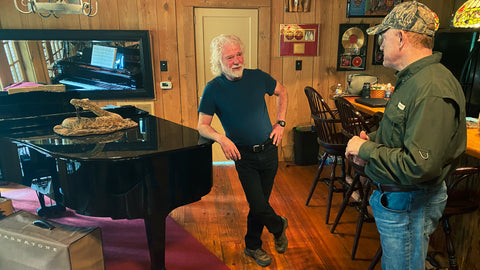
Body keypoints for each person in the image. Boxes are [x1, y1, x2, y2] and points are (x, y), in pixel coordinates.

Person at [345, 1, 467, 269]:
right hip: (398, 199)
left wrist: (365, 150)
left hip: (409, 202)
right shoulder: (412, 79)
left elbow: (419, 166)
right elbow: (399, 132)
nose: (380, 45)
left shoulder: (432, 87)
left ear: (400, 37)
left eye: (384, 37)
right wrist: (373, 141)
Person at [197, 34, 288, 267]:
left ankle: (252, 246)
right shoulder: (213, 89)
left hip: (269, 150)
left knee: (260, 202)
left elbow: (283, 91)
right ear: (219, 61)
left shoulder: (257, 77)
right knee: (258, 204)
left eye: (239, 54)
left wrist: (281, 122)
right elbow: (202, 126)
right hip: (243, 156)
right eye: (230, 57)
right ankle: (279, 226)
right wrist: (221, 139)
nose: (237, 60)